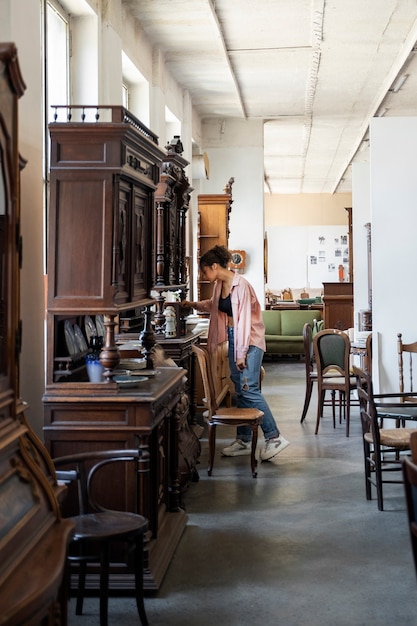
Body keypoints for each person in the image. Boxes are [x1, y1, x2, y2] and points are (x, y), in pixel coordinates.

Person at [182, 245, 289, 461]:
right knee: (240, 389)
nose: (204, 275)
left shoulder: (242, 286)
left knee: (249, 389)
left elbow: (245, 324)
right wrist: (192, 304)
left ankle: (274, 436)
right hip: (234, 338)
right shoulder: (220, 285)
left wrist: (241, 354)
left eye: (205, 271)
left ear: (214, 266)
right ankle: (244, 440)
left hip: (249, 341)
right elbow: (215, 306)